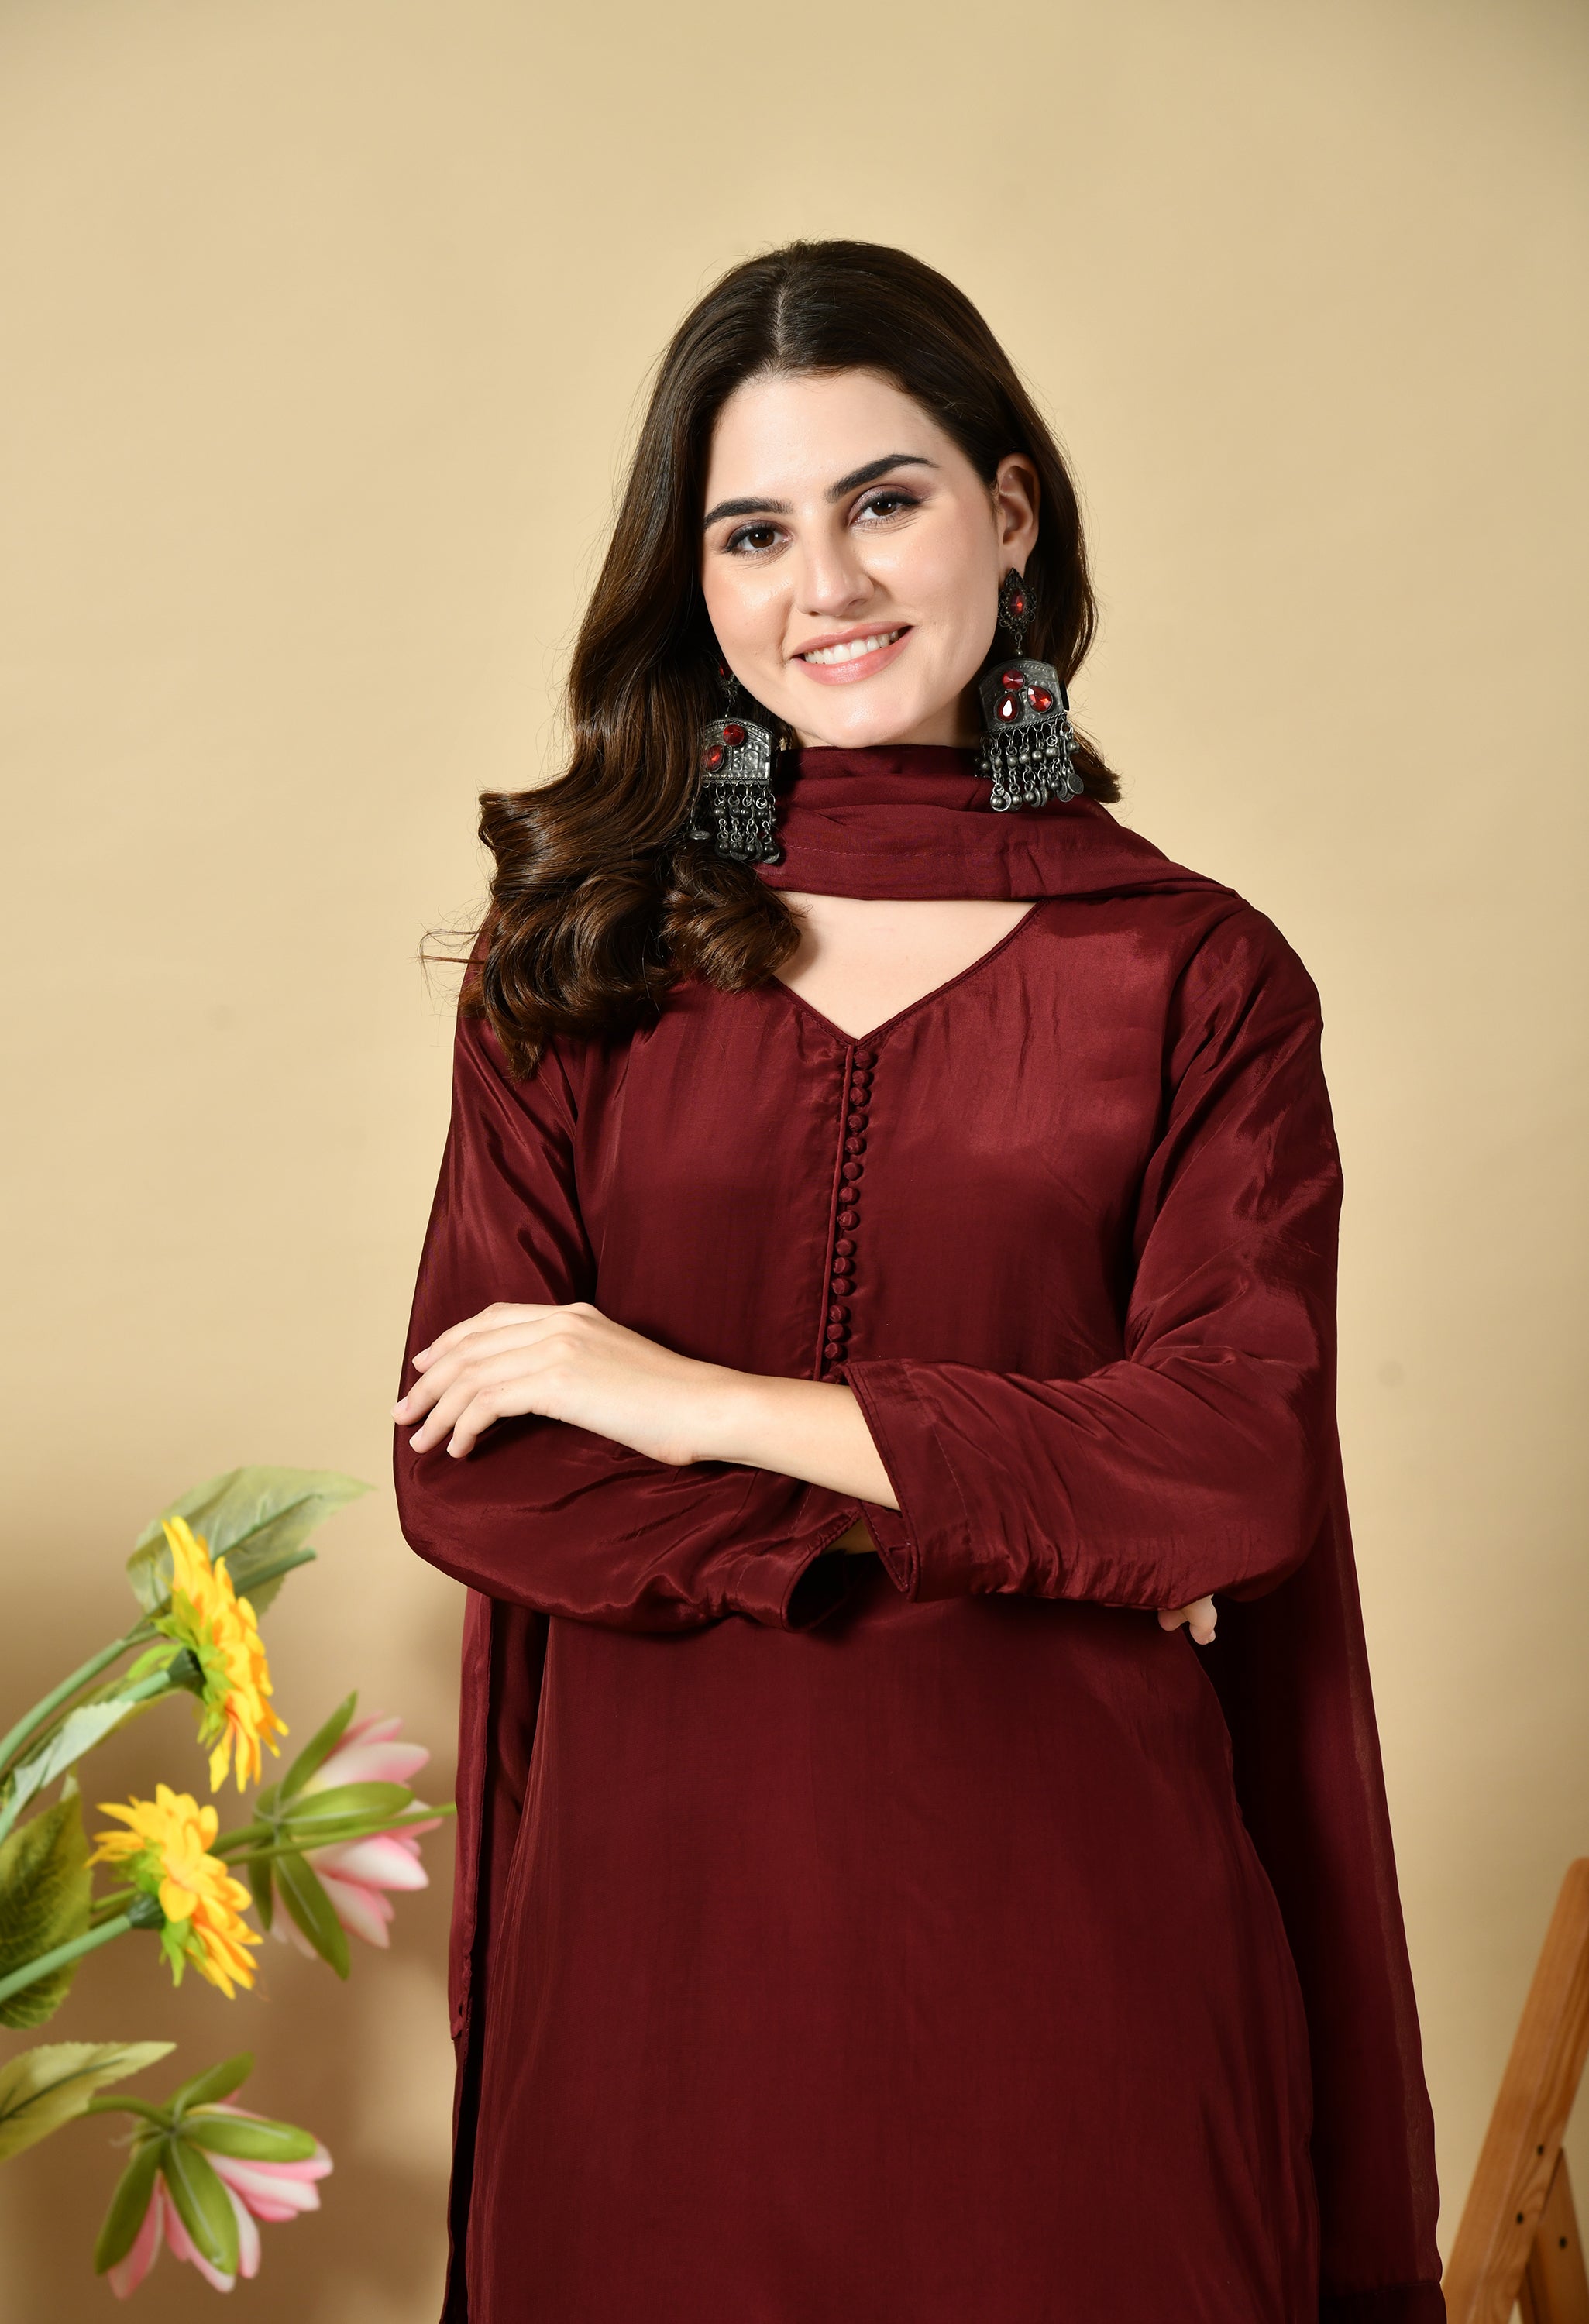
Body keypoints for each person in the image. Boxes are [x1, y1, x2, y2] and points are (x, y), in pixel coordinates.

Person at [392, 239, 1443, 2324]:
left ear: (1010, 512)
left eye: (884, 500)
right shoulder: (581, 961)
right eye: (752, 532)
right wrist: (1010, 1514)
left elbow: (1228, 1467)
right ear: (693, 576)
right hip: (659, 1957)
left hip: (1079, 1948)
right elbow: (479, 1465)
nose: (828, 586)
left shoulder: (1193, 975)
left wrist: (687, 1400)